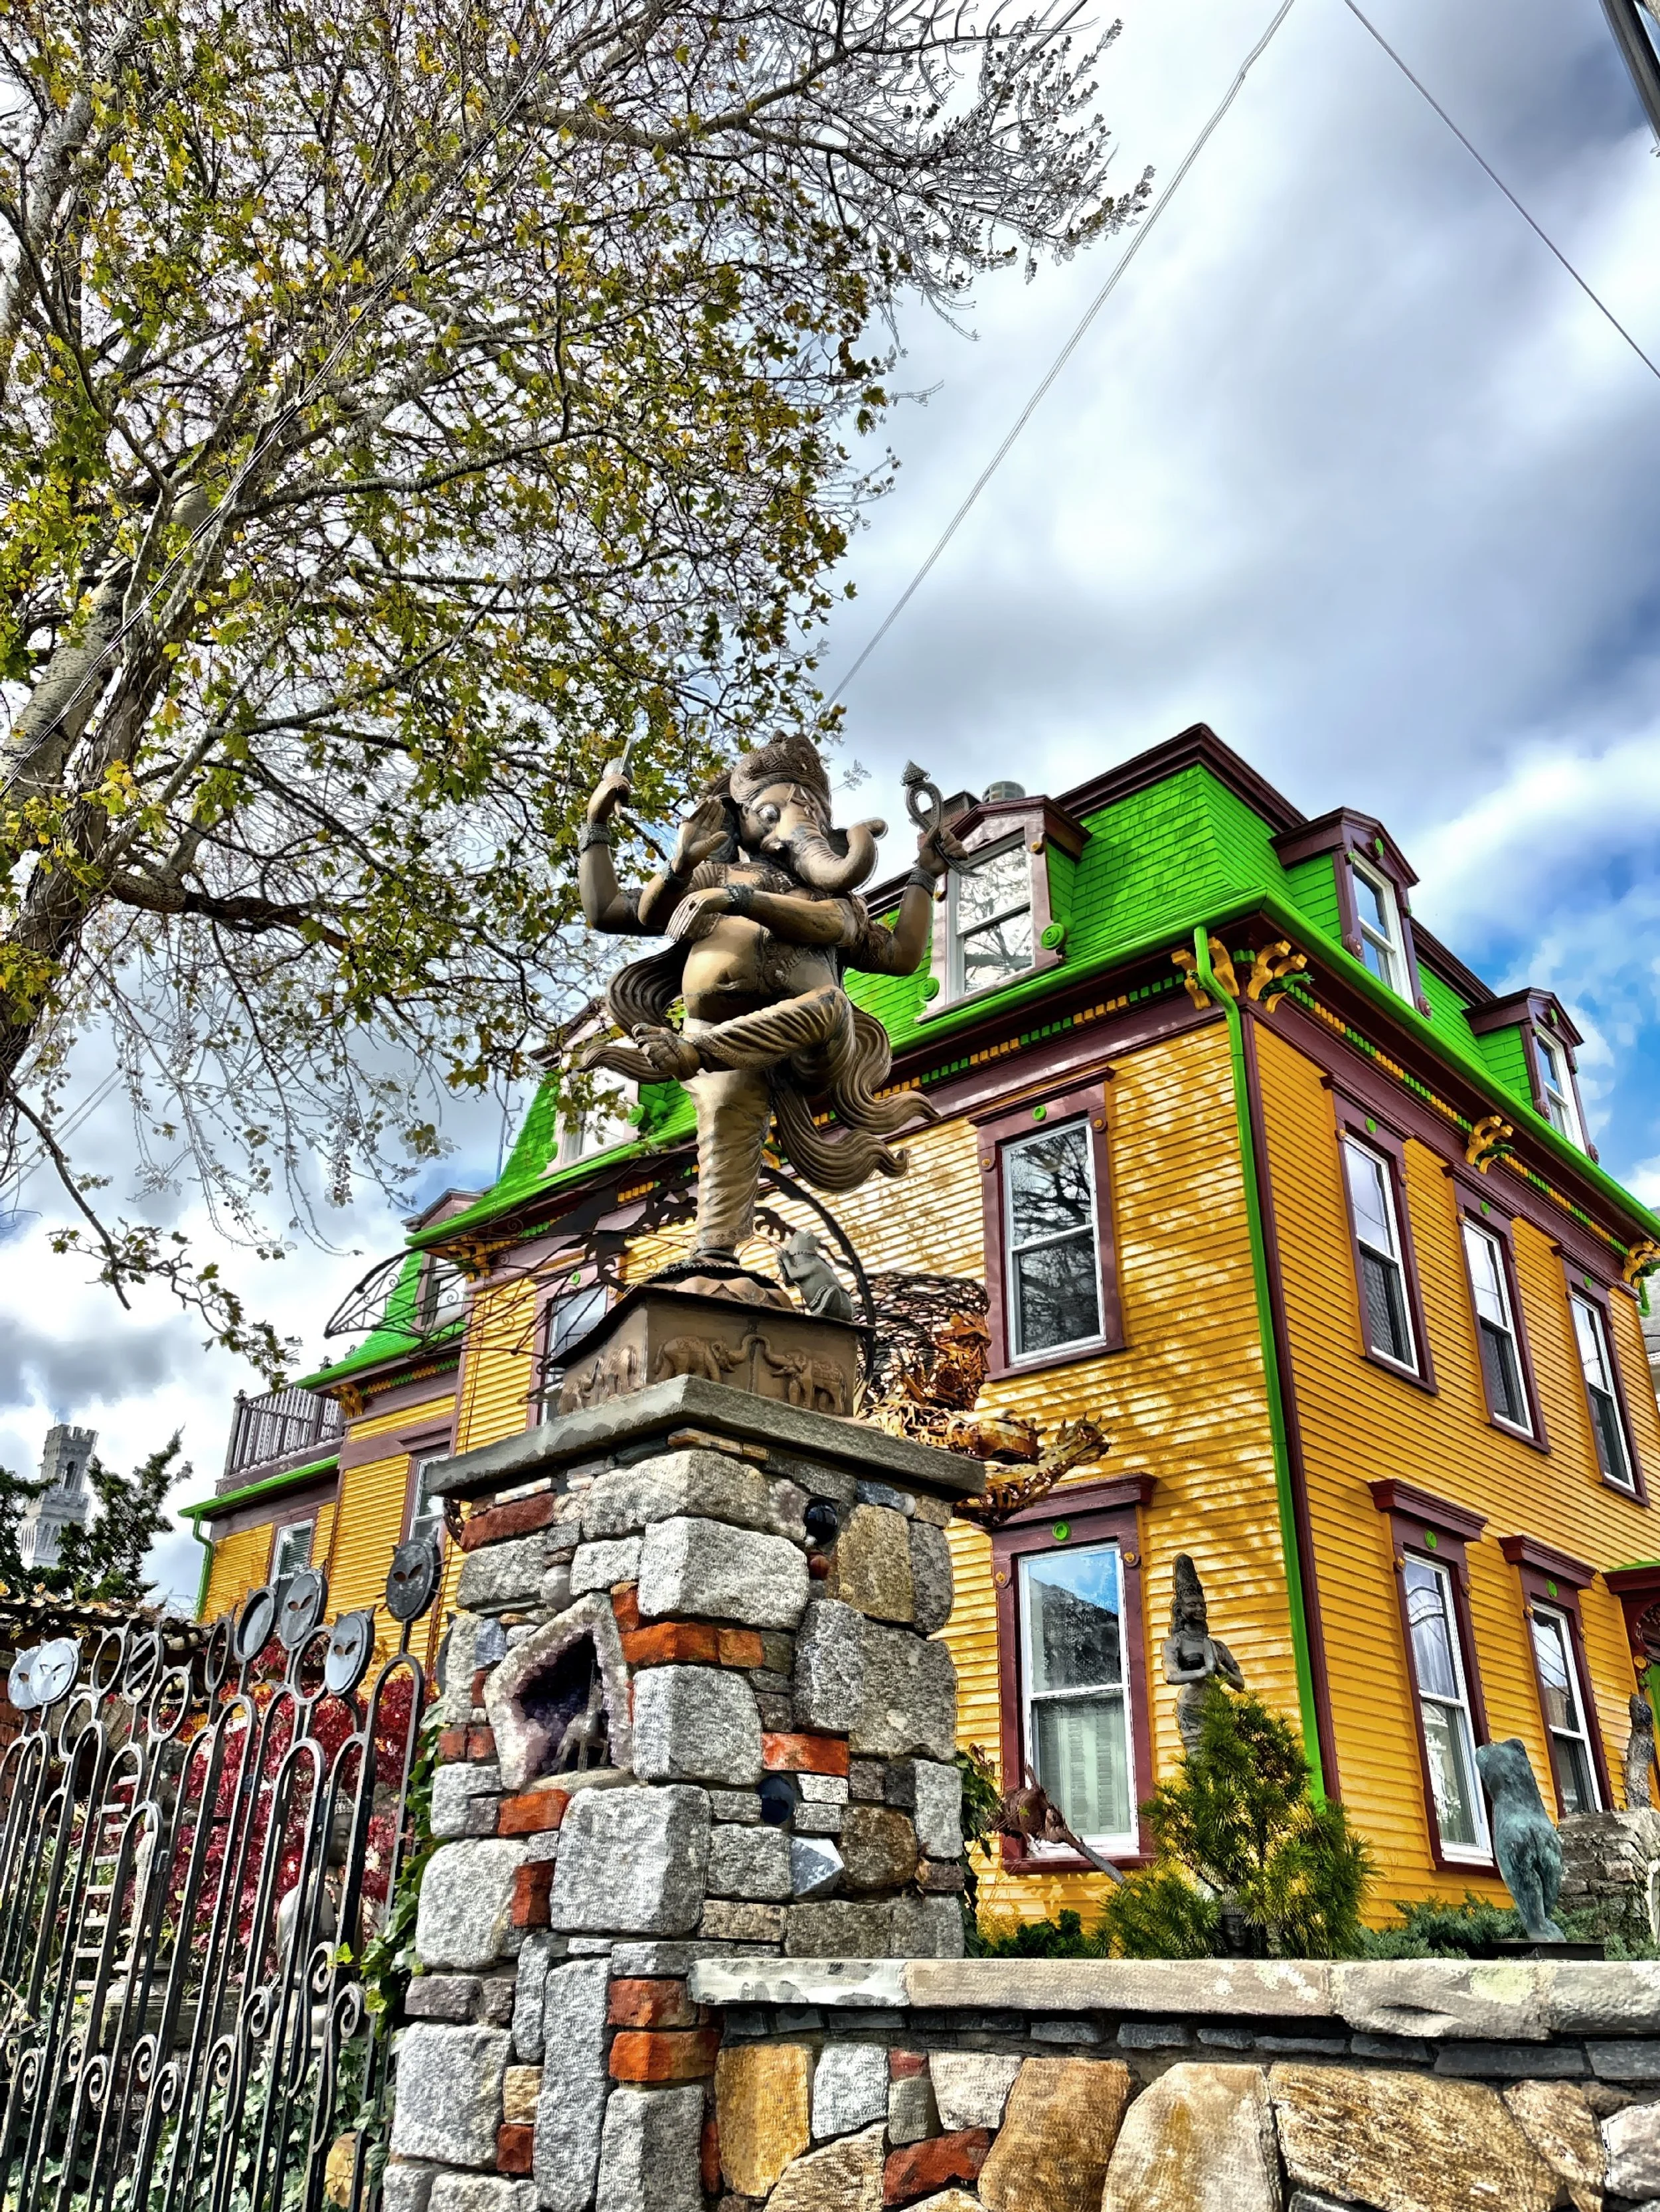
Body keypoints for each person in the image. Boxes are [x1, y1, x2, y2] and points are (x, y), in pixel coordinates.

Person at [576, 734, 957, 1266]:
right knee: (727, 1131)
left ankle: (695, 1055)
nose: (790, 826)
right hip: (716, 1042)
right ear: (743, 821)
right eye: (770, 813)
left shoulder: (832, 899)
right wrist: (611, 831)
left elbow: (899, 953)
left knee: (830, 1005)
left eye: (811, 815)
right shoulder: (709, 873)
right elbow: (611, 911)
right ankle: (714, 1262)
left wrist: (922, 874)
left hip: (804, 1048)